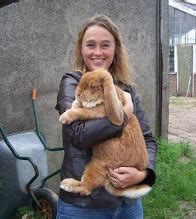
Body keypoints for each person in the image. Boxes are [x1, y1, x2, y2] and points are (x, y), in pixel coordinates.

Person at [55, 14, 157, 219]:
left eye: (105, 45)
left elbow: (148, 139)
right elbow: (79, 135)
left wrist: (143, 174)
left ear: (115, 50)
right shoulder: (73, 82)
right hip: (83, 207)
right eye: (90, 45)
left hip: (128, 205)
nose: (97, 52)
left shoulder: (128, 90)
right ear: (81, 49)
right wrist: (124, 115)